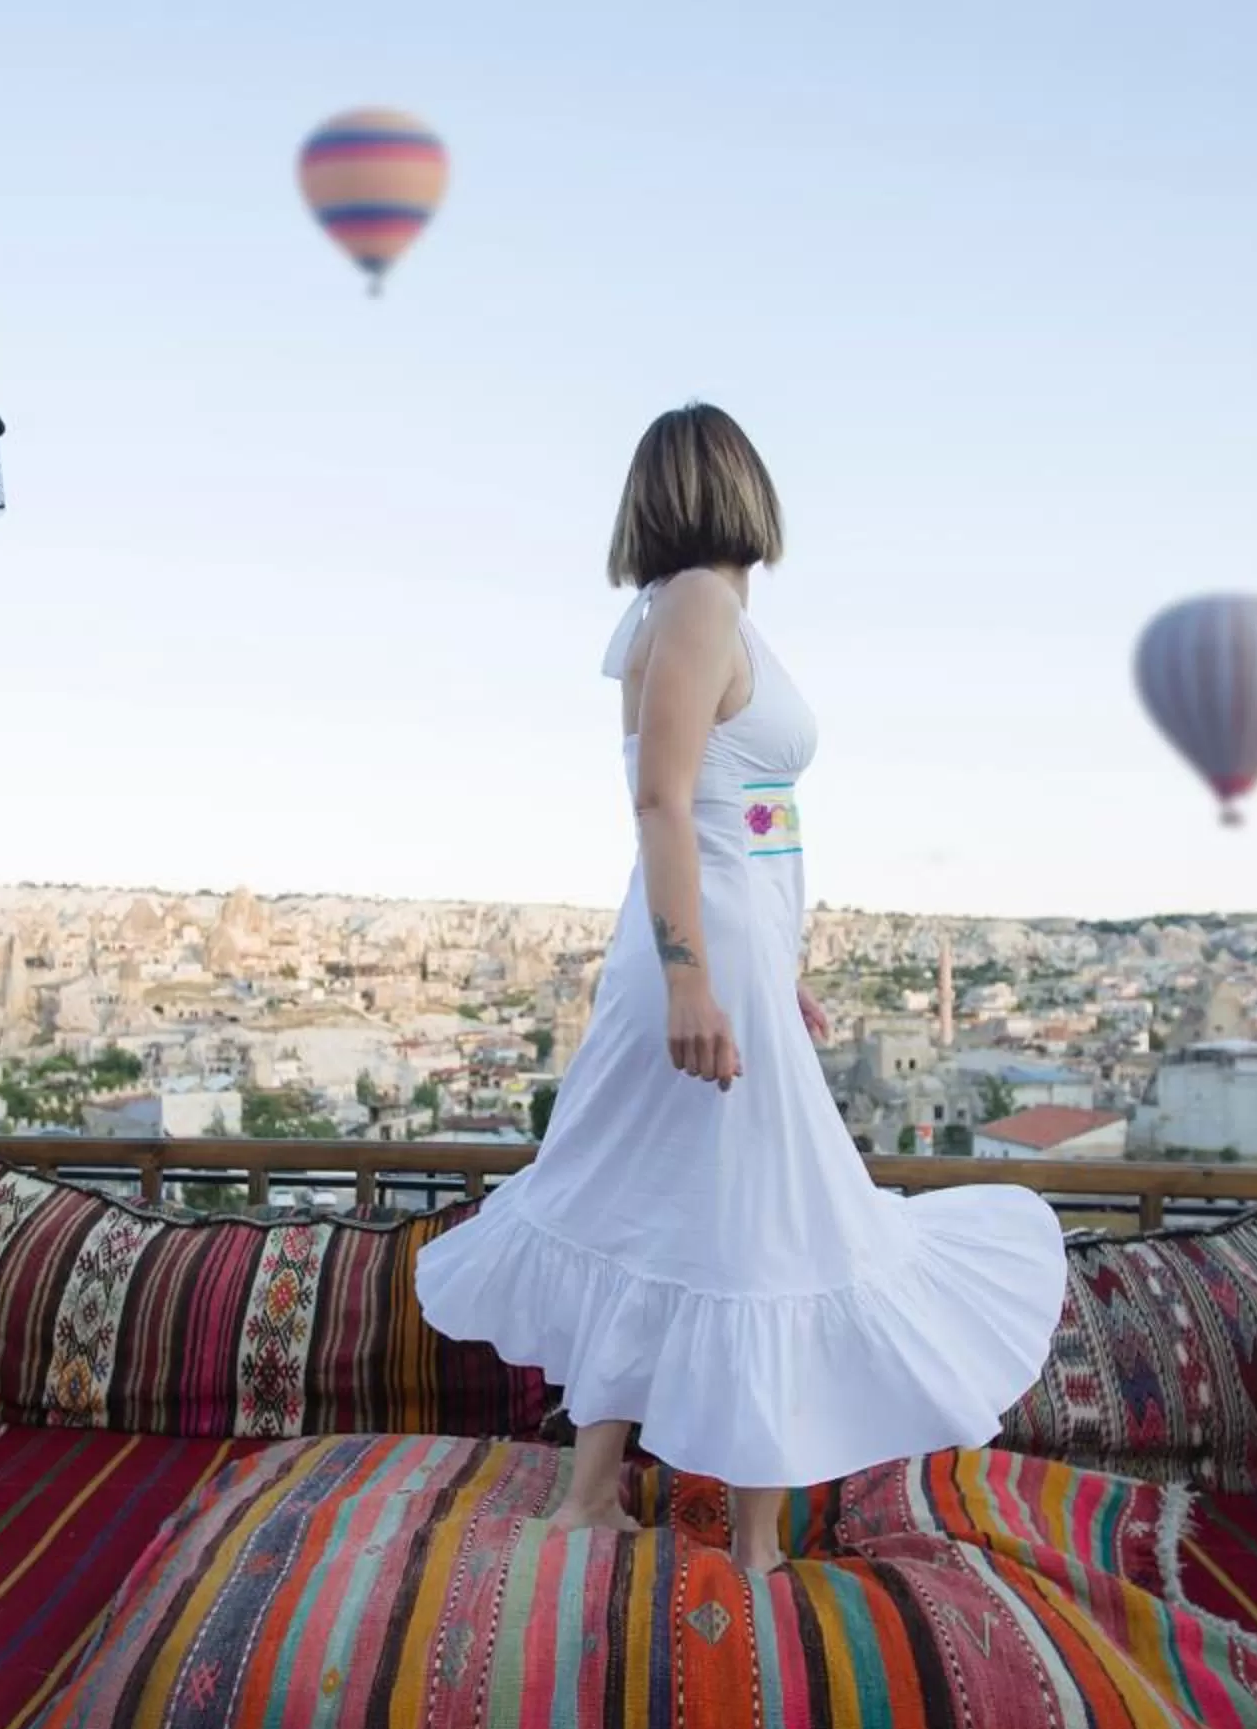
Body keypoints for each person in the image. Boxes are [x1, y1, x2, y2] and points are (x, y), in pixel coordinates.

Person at [416, 402, 1066, 1574]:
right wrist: (693, 979)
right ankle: (754, 1543)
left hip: (724, 950)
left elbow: (753, 817)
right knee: (771, 1223)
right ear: (736, 486)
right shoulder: (701, 602)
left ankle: (592, 1492)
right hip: (698, 952)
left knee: (655, 1205)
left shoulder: (674, 616)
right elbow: (666, 804)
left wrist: (777, 966)